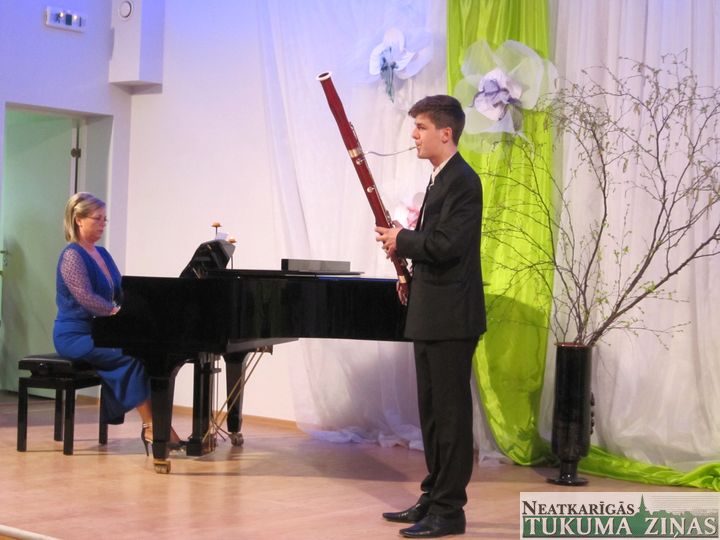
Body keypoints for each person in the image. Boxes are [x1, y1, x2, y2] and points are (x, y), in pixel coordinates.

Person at [375, 95, 486, 538]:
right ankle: (433, 496)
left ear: (446, 133)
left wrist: (401, 239)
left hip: (452, 317)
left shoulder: (464, 181)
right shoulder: (441, 179)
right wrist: (408, 269)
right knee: (433, 416)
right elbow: (435, 248)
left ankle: (449, 511)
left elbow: (447, 246)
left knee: (451, 417)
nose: (414, 135)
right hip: (433, 311)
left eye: (421, 127)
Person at [53, 192, 182, 454]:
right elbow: (86, 297)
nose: (102, 224)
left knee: (146, 355)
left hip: (101, 330)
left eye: (105, 220)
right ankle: (151, 426)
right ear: (78, 220)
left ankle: (157, 424)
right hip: (74, 335)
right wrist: (116, 312)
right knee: (129, 357)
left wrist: (145, 308)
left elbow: (121, 291)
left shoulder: (102, 253)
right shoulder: (71, 255)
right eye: (97, 219)